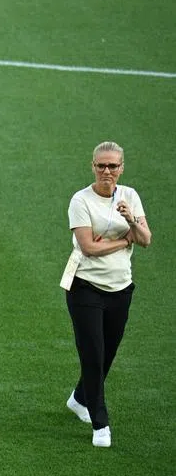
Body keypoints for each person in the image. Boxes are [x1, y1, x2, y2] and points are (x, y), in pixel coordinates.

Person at [62, 141, 150, 448]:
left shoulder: (130, 196)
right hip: (85, 287)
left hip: (121, 287)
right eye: (101, 165)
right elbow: (88, 247)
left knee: (107, 354)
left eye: (113, 166)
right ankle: (100, 423)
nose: (107, 171)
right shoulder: (80, 200)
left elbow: (146, 238)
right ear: (93, 166)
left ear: (122, 168)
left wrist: (130, 221)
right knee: (93, 355)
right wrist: (125, 241)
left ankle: (80, 397)